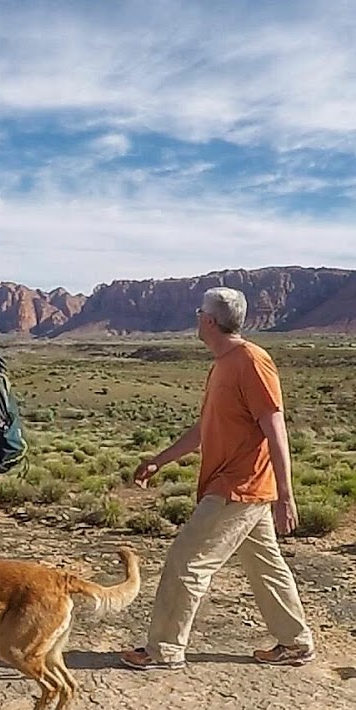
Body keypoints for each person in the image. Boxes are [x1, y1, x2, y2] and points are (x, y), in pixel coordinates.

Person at [120, 287, 316, 671]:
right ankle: (296, 642)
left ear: (208, 321)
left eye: (199, 313)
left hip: (239, 486)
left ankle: (164, 650)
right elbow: (205, 429)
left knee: (186, 562)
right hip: (245, 488)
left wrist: (286, 496)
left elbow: (276, 429)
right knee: (266, 565)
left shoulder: (251, 361)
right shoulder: (224, 363)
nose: (197, 319)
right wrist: (160, 461)